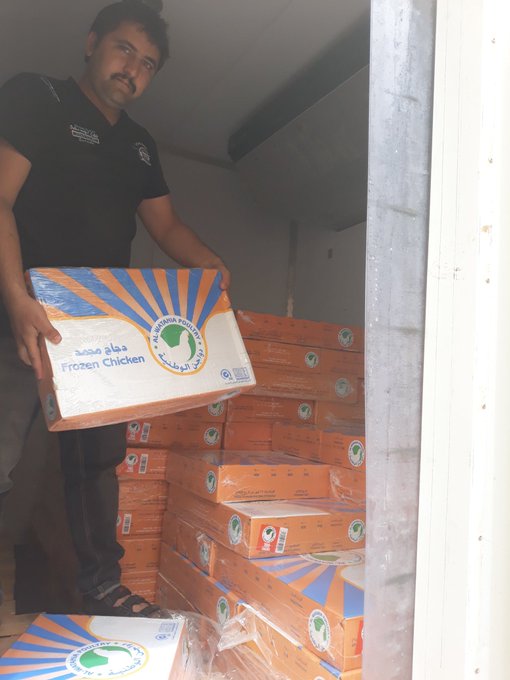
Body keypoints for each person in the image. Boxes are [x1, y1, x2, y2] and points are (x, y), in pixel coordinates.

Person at [0, 0, 229, 617]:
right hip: (20, 312)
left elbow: (167, 225)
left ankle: (101, 588)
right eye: (124, 49)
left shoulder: (139, 146)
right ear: (91, 43)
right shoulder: (38, 97)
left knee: (95, 464)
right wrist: (16, 300)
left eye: (148, 63)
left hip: (98, 329)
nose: (133, 68)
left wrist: (208, 263)